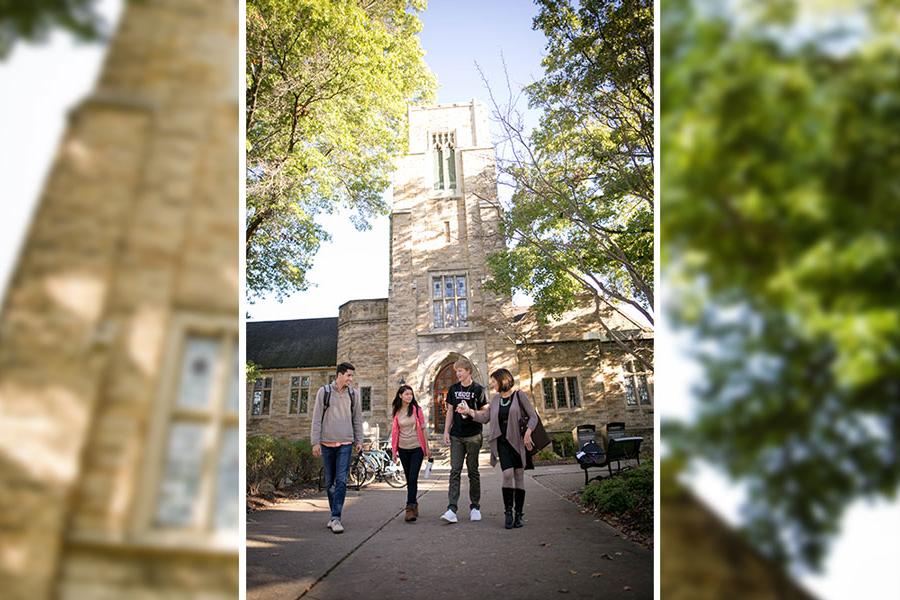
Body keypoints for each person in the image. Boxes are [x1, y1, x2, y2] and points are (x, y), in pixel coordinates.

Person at [458, 367, 537, 529]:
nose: (492, 384)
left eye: (493, 381)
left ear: (502, 380)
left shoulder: (519, 396)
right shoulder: (494, 400)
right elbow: (485, 417)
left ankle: (519, 514)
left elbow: (533, 416)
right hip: (502, 442)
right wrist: (469, 411)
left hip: (518, 441)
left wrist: (528, 432)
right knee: (508, 474)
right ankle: (508, 512)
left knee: (519, 475)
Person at [311, 362, 363, 534]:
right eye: (349, 375)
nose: (351, 379)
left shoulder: (353, 394)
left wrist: (359, 440)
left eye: (352, 376)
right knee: (329, 482)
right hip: (326, 443)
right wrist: (315, 442)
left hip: (346, 443)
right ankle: (334, 514)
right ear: (339, 374)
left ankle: (336, 518)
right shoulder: (324, 392)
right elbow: (317, 418)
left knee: (341, 480)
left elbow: (357, 419)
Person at [441, 357, 488, 523]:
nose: (458, 374)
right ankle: (451, 509)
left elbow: (485, 414)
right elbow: (449, 412)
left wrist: (470, 411)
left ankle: (475, 507)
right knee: (455, 470)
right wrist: (446, 431)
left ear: (468, 371)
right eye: (456, 371)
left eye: (460, 371)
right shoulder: (453, 389)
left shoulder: (479, 390)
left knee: (473, 471)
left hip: (474, 435)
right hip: (456, 436)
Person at [389, 385, 430, 522]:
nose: (409, 396)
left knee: (413, 477)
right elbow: (395, 432)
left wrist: (427, 448)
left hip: (417, 448)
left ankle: (409, 508)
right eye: (406, 394)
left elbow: (423, 429)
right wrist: (394, 451)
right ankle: (414, 503)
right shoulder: (396, 411)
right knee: (409, 479)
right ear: (400, 395)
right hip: (403, 448)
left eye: (411, 394)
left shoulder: (417, 410)